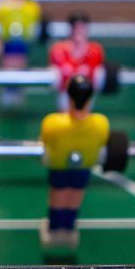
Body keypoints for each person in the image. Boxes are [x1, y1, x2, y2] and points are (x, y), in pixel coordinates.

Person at [39, 75, 109, 252]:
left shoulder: (53, 122)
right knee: (75, 196)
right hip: (84, 167)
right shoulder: (101, 123)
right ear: (90, 98)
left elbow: (44, 142)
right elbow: (103, 142)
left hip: (58, 166)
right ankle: (68, 229)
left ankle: (55, 229)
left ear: (68, 97)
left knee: (58, 195)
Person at [0, 0, 42, 107]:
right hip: (9, 45)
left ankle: (16, 92)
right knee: (9, 67)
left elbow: (32, 26)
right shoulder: (5, 7)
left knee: (18, 66)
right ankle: (8, 92)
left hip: (21, 45)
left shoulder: (30, 7)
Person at [48, 12, 105, 111]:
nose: (79, 31)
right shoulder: (58, 50)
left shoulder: (96, 51)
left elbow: (97, 78)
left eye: (82, 28)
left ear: (87, 30)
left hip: (87, 96)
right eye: (76, 28)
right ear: (70, 29)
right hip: (65, 96)